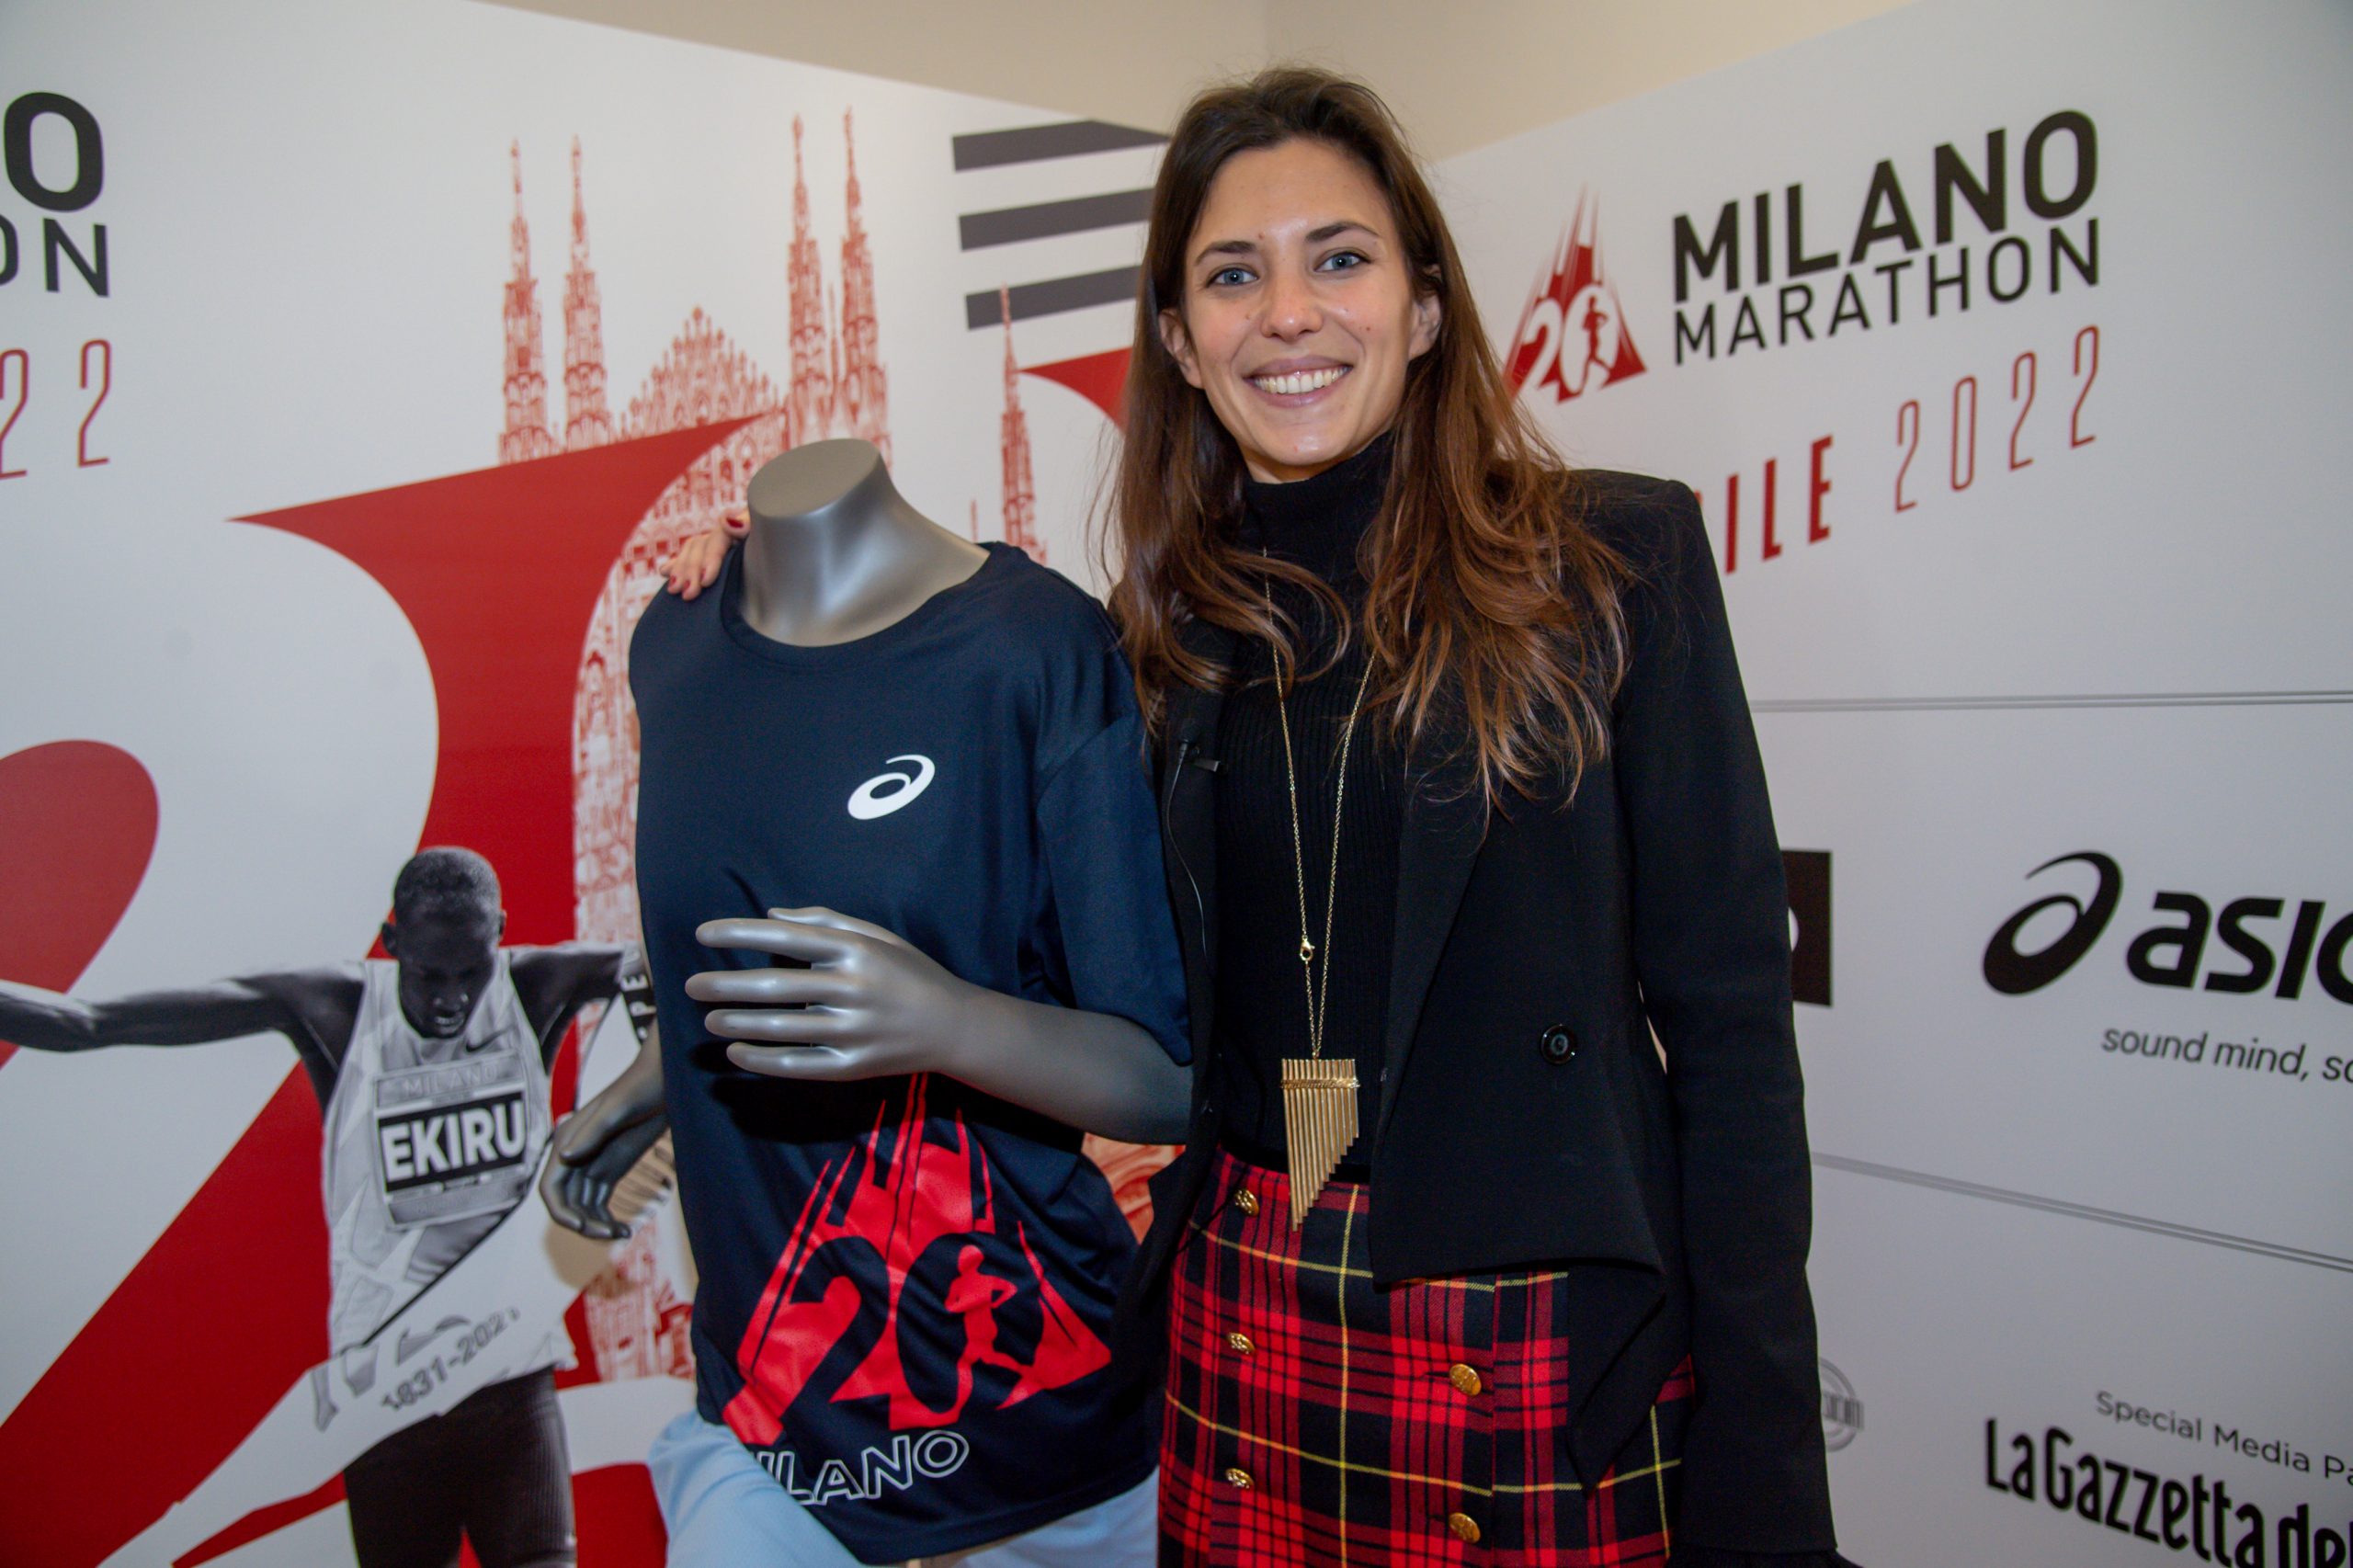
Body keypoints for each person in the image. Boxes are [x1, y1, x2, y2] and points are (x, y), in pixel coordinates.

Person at [660, 67, 1850, 1567]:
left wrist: (1766, 1489)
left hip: (1531, 1353)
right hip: (1239, 1330)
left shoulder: (1613, 562)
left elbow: (1734, 1048)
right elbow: (988, 877)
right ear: (1180, 337)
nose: (1289, 313)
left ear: (1425, 304)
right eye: (1233, 274)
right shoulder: (1153, 640)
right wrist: (763, 602)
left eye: (1339, 257)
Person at [0, 846, 647, 1568]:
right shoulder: (337, 1008)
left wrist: (614, 1133)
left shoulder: (532, 987)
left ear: (499, 933)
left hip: (509, 1385)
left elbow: (674, 969)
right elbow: (85, 1023)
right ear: (391, 940)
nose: (452, 1000)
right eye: (429, 976)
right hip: (383, 1401)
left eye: (472, 972)